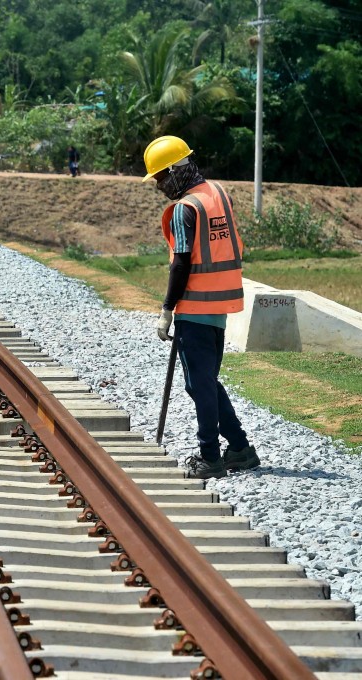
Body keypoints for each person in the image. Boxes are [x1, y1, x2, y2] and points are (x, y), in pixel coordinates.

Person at [144, 135, 260, 479]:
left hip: (194, 307)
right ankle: (239, 447)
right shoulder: (219, 194)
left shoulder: (185, 209)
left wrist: (167, 309)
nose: (161, 186)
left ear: (177, 169)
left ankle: (210, 456)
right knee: (204, 382)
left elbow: (181, 263)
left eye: (162, 178)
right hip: (220, 305)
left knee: (200, 384)